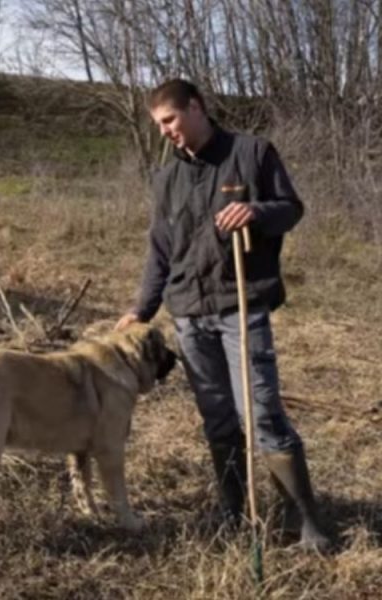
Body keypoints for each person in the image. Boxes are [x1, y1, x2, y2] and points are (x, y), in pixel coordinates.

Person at [115, 79, 331, 551]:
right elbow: (160, 250)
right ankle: (234, 515)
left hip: (240, 305)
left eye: (170, 120)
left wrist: (254, 211)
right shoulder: (166, 178)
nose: (165, 132)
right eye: (159, 125)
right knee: (217, 421)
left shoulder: (251, 153)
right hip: (189, 314)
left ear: (196, 108)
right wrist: (141, 308)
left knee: (263, 415)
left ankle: (305, 525)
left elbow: (291, 209)